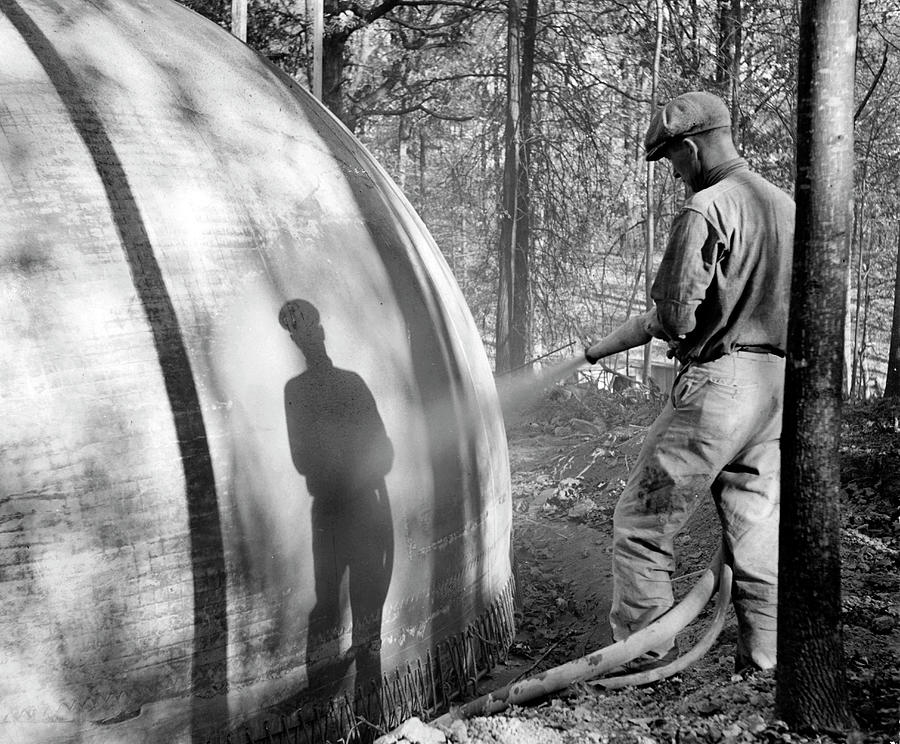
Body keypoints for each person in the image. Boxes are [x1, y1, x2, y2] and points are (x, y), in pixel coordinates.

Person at [585, 91, 795, 673]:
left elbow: (676, 317)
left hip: (720, 385)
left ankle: (644, 654)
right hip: (776, 389)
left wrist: (628, 333)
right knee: (755, 529)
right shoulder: (787, 206)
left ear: (692, 145)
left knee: (642, 523)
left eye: (673, 160)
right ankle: (765, 658)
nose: (675, 173)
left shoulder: (708, 208)